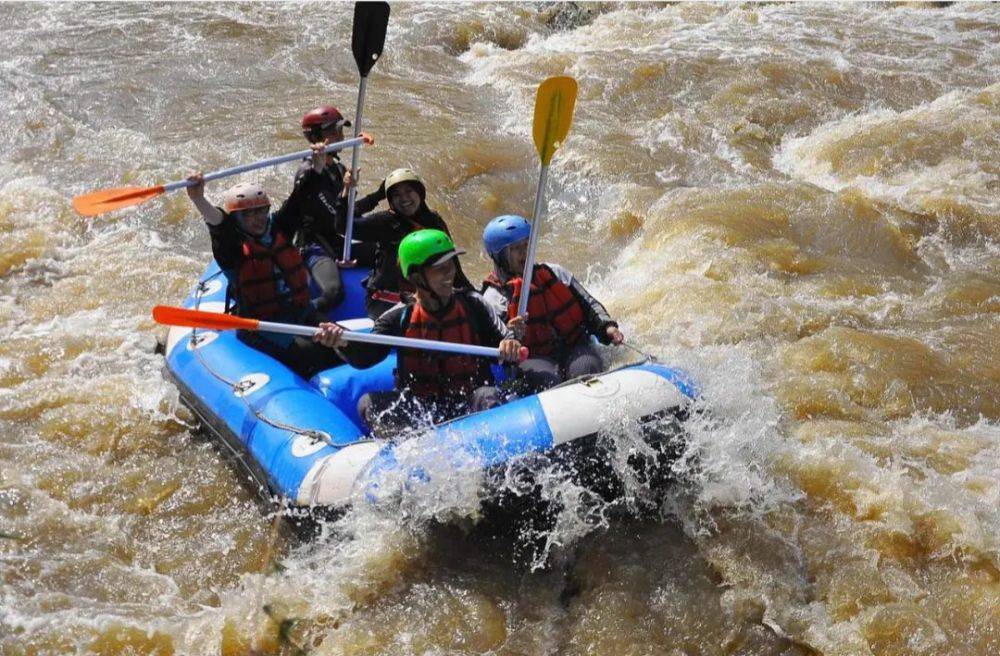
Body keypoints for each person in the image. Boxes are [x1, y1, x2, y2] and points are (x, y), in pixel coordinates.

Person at [315, 229, 522, 437]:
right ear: (416, 277)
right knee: (368, 404)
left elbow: (503, 346)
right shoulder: (398, 317)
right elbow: (366, 357)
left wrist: (510, 343)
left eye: (450, 265)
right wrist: (341, 342)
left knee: (488, 396)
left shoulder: (473, 304)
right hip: (422, 409)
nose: (449, 273)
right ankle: (406, 453)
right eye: (439, 269)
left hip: (469, 400)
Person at [185, 142, 344, 380]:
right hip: (263, 327)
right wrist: (199, 199)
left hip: (301, 313)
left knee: (345, 347)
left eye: (260, 211)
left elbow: (299, 200)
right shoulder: (232, 249)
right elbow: (219, 225)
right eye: (247, 214)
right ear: (236, 219)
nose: (257, 218)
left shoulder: (279, 227)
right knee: (312, 356)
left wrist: (317, 167)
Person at [480, 214, 624, 392]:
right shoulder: (493, 298)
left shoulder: (555, 273)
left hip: (573, 347)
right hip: (533, 358)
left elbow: (589, 305)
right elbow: (491, 344)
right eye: (516, 249)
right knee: (548, 382)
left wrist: (607, 327)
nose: (524, 253)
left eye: (527, 245)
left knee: (587, 368)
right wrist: (509, 335)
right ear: (499, 257)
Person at [335, 167, 472, 320]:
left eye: (408, 191)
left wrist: (474, 296)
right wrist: (359, 192)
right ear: (391, 200)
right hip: (387, 299)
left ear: (419, 193)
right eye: (397, 195)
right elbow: (343, 226)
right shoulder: (385, 222)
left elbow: (454, 268)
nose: (404, 199)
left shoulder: (435, 222)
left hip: (427, 296)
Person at [294, 105, 382, 311]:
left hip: (335, 239)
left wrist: (378, 196)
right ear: (316, 136)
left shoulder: (339, 168)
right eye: (334, 132)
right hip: (314, 247)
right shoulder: (307, 172)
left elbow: (347, 213)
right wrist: (345, 191)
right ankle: (298, 315)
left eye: (341, 131)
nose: (341, 136)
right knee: (333, 293)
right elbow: (335, 214)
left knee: (386, 250)